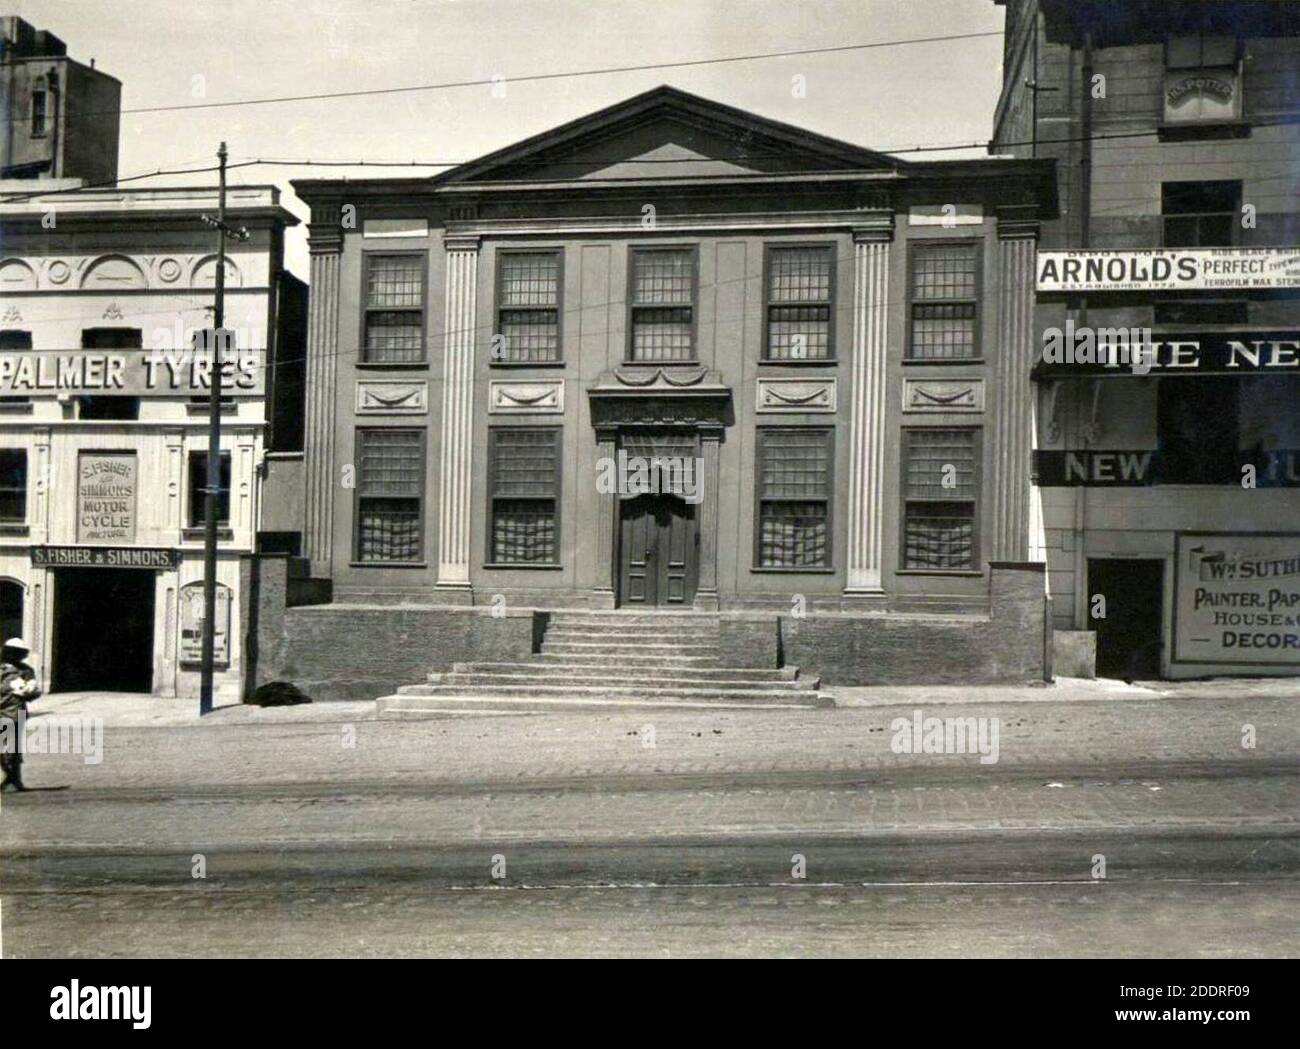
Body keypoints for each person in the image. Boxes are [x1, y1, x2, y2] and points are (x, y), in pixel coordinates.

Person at [0, 637, 40, 793]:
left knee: (10, 748)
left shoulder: (26, 671)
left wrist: (26, 691)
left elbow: (33, 693)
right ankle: (13, 778)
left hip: (15, 713)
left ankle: (13, 779)